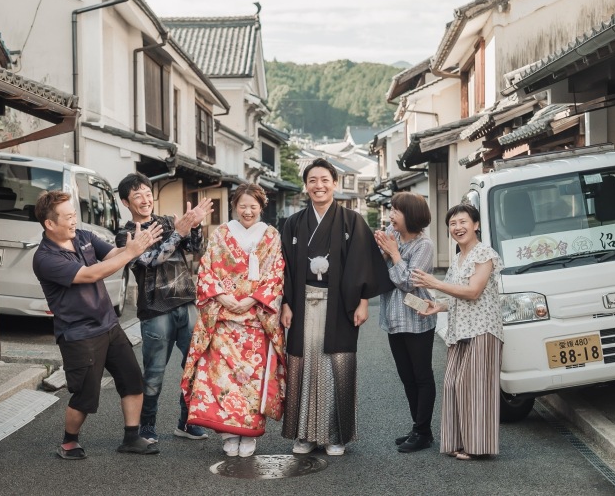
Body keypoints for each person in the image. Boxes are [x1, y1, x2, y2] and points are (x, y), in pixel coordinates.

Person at [32, 190, 163, 459]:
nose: (74, 220)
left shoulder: (82, 236)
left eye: (74, 214)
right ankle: (69, 442)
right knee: (85, 395)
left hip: (109, 324)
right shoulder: (45, 258)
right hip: (79, 333)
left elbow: (113, 253)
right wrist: (130, 253)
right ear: (50, 223)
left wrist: (135, 246)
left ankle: (131, 437)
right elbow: (91, 274)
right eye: (68, 217)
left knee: (132, 380)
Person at [280, 158, 393, 456]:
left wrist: (363, 301)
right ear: (306, 186)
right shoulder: (293, 223)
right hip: (302, 303)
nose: (319, 186)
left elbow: (364, 263)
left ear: (335, 183)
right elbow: (284, 267)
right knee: (303, 365)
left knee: (337, 364)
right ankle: (304, 434)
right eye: (312, 180)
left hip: (340, 305)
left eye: (324, 180)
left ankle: (335, 435)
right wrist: (286, 303)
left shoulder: (351, 221)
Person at [181, 184, 286, 458]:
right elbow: (207, 269)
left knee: (251, 379)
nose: (248, 211)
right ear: (234, 207)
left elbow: (276, 274)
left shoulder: (271, 235)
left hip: (255, 319)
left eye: (253, 206)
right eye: (242, 206)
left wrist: (252, 299)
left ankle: (249, 433)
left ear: (261, 207)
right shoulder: (221, 233)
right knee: (222, 377)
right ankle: (228, 433)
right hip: (223, 317)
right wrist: (222, 296)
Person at [116, 172, 213, 443]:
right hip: (155, 311)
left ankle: (187, 422)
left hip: (186, 301)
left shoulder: (170, 222)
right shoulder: (126, 234)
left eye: (148, 193)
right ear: (126, 202)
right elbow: (151, 260)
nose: (145, 199)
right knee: (154, 374)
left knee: (194, 367)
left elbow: (196, 249)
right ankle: (147, 426)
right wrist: (178, 233)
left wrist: (195, 226)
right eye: (137, 196)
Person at [412, 204, 503, 461]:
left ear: (476, 225)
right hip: (459, 330)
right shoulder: (457, 257)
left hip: (483, 330)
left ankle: (478, 446)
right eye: (452, 224)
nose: (457, 227)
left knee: (473, 387)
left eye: (463, 222)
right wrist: (438, 306)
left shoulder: (484, 253)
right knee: (453, 384)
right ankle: (458, 441)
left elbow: (473, 292)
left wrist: (435, 283)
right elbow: (456, 296)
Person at [373, 192, 436, 453]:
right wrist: (385, 253)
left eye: (396, 211)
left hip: (417, 318)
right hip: (393, 318)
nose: (391, 216)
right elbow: (376, 268)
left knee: (421, 376)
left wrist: (394, 254)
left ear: (410, 214)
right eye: (391, 210)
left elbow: (409, 282)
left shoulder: (424, 245)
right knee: (407, 377)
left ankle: (423, 431)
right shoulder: (392, 235)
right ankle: (418, 427)